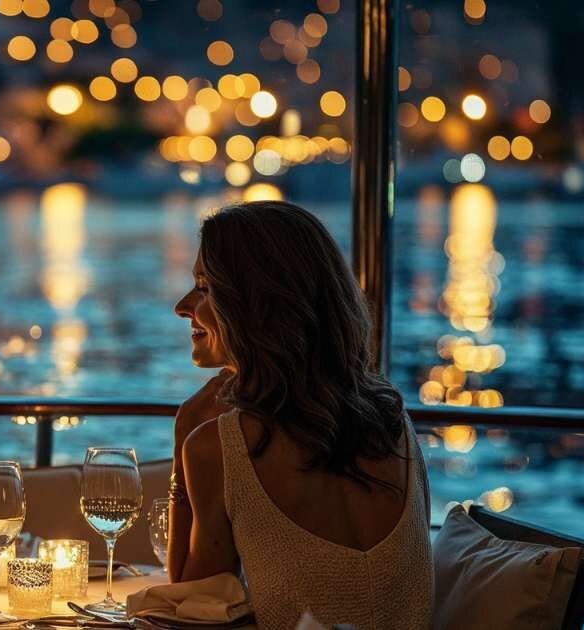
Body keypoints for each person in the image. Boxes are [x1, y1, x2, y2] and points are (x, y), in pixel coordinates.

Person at [167, 201, 432, 629]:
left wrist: (185, 433)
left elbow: (191, 604)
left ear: (254, 304)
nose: (182, 306)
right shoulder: (395, 424)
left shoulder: (222, 446)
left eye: (204, 287)